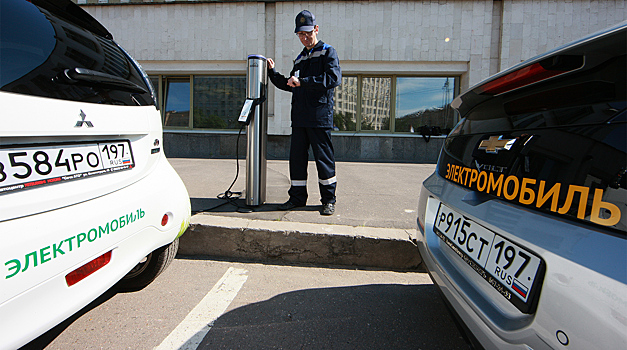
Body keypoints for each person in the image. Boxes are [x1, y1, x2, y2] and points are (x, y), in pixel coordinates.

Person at [267, 10, 341, 216]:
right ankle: (297, 198)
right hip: (299, 119)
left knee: (323, 160)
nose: (305, 37)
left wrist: (304, 81)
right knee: (297, 160)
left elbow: (332, 79)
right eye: (301, 34)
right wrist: (273, 74)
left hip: (319, 118)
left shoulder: (328, 52)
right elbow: (291, 84)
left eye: (308, 32)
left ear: (315, 29)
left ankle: (328, 200)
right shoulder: (299, 59)